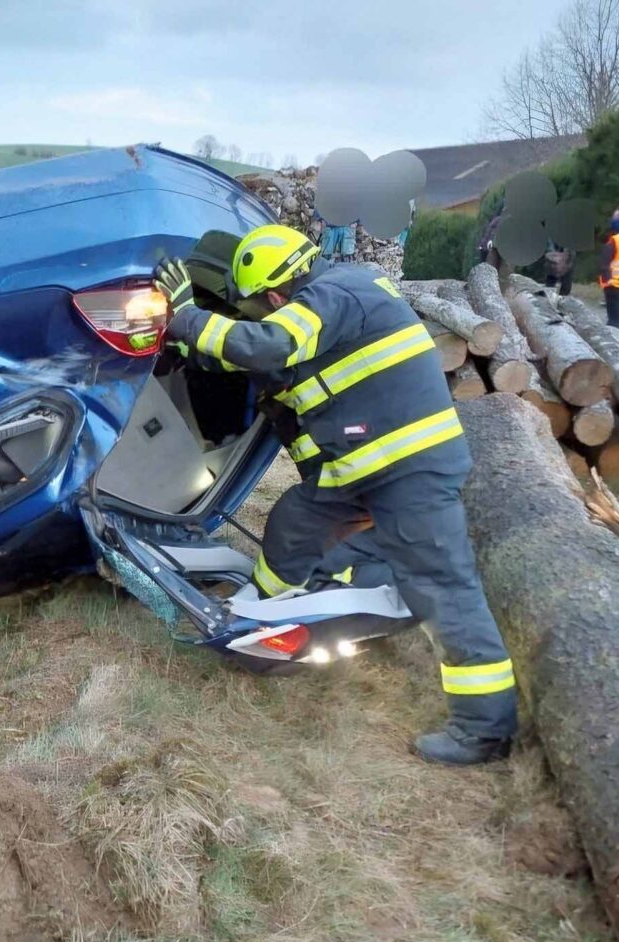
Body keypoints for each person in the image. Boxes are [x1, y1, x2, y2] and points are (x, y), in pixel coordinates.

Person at [152, 225, 517, 766]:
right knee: (296, 521)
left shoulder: (334, 292)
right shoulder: (334, 304)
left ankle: (484, 730)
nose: (263, 310)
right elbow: (263, 361)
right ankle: (263, 607)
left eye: (263, 303)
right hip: (361, 469)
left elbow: (269, 343)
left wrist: (187, 316)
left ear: (278, 291)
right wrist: (185, 346)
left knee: (442, 584)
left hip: (408, 469)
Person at [600, 216, 619, 328]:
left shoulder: (615, 240)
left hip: (614, 284)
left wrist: (607, 281)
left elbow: (604, 264)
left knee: (614, 320)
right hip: (615, 284)